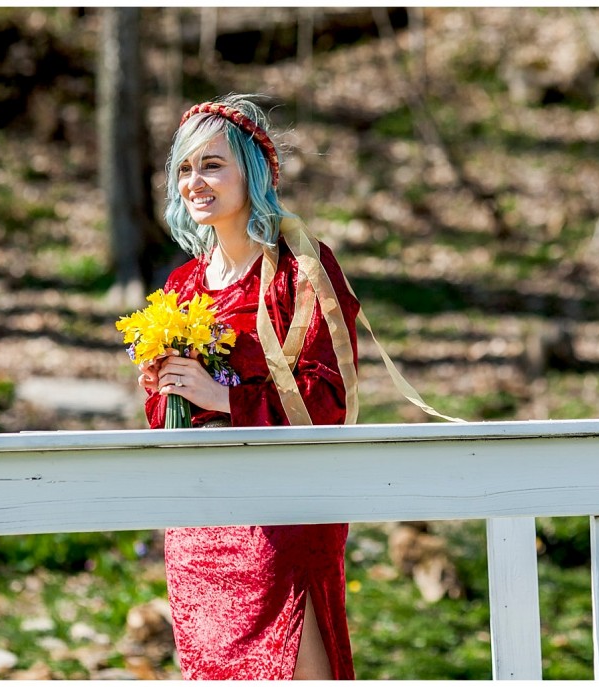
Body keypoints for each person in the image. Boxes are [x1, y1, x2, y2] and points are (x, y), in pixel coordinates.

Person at [137, 94, 359, 680]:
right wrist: (166, 392)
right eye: (185, 168)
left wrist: (225, 398)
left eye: (212, 165)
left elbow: (330, 397)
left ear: (252, 173)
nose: (195, 182)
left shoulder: (300, 270)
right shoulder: (181, 286)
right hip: (199, 523)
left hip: (282, 513)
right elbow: (165, 422)